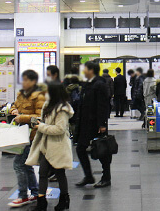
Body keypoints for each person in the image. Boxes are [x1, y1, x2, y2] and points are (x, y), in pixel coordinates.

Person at [26, 83, 74, 211]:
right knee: (42, 173)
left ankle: (64, 199)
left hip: (58, 146)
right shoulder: (47, 105)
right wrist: (38, 122)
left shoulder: (62, 109)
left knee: (59, 173)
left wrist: (40, 127)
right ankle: (41, 201)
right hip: (45, 144)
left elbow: (60, 129)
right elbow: (45, 122)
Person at [8, 70, 46, 208]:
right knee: (26, 164)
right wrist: (13, 110)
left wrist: (22, 117)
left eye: (25, 80)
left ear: (33, 81)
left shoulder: (39, 96)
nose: (23, 82)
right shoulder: (21, 94)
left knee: (18, 164)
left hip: (32, 135)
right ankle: (35, 192)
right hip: (21, 134)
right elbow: (14, 105)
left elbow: (40, 116)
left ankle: (23, 196)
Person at [75, 61, 112, 189]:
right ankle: (88, 176)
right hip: (85, 123)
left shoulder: (100, 85)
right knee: (80, 148)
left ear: (91, 70)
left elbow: (103, 106)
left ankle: (106, 177)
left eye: (85, 69)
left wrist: (102, 124)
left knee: (102, 150)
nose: (83, 71)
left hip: (95, 124)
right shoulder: (88, 85)